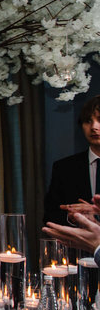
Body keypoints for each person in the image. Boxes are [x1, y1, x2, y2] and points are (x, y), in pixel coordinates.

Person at [43, 95, 100, 225]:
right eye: (88, 121)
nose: (94, 127)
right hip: (77, 244)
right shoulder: (65, 168)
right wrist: (73, 218)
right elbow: (50, 216)